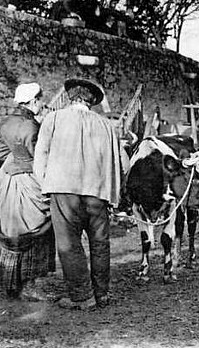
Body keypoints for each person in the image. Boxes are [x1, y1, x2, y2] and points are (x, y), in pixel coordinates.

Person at [34, 78, 125, 310]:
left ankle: (82, 296)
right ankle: (102, 293)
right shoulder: (107, 126)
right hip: (98, 192)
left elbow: (41, 157)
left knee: (69, 243)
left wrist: (44, 187)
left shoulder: (52, 119)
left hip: (64, 189)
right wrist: (114, 195)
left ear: (70, 97)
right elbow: (117, 163)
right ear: (92, 101)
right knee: (100, 243)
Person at [0, 83, 56, 301]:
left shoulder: (5, 122)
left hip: (7, 178)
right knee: (39, 229)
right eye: (41, 101)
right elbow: (39, 157)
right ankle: (31, 284)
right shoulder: (32, 126)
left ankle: (10, 283)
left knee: (11, 229)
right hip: (29, 179)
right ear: (33, 101)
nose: (42, 105)